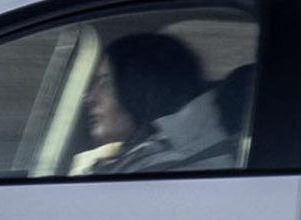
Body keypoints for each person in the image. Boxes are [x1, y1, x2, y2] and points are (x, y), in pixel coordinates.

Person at [72, 30, 237, 175]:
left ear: (142, 87)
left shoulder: (167, 166)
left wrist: (83, 170)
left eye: (106, 84)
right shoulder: (191, 149)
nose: (90, 98)